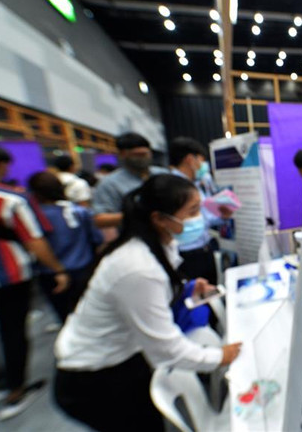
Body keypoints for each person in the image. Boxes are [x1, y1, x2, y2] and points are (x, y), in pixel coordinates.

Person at [54, 174, 242, 431]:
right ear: (159, 218)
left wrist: (185, 289)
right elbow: (167, 349)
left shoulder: (159, 244)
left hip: (125, 356)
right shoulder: (137, 267)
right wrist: (220, 356)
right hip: (94, 376)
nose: (199, 218)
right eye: (192, 211)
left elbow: (153, 293)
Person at [0, 146, 70, 421]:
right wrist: (58, 269)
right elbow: (34, 240)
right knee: (12, 329)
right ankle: (16, 388)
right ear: (2, 165)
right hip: (10, 274)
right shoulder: (10, 199)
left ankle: (0, 383)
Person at [28, 172, 103, 322]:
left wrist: (58, 270)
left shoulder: (34, 217)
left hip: (52, 274)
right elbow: (97, 239)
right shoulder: (79, 211)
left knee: (66, 317)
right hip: (84, 269)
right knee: (91, 314)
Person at [168, 138, 231, 287]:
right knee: (195, 295)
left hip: (204, 249)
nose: (204, 166)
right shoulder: (172, 186)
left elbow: (204, 217)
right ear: (190, 159)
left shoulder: (194, 184)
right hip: (186, 255)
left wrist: (221, 216)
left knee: (210, 291)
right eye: (201, 161)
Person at [92, 133, 166, 228]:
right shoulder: (109, 184)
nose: (143, 159)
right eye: (137, 155)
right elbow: (99, 219)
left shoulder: (163, 174)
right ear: (122, 155)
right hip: (136, 234)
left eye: (145, 154)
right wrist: (137, 215)